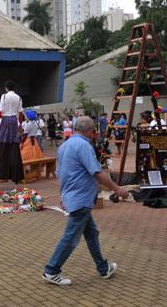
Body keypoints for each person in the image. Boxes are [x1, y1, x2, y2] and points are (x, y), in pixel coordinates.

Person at [42, 116, 129, 286]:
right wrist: (116, 188)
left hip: (74, 197)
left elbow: (62, 173)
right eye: (94, 131)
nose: (94, 134)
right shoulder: (83, 145)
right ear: (89, 131)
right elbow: (96, 171)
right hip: (80, 199)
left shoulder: (64, 145)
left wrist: (65, 194)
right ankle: (51, 270)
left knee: (91, 233)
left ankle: (103, 268)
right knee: (70, 238)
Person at [0, 80, 25, 185]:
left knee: (1, 144)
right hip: (14, 121)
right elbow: (20, 113)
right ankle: (16, 176)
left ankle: (0, 174)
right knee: (14, 145)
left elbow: (0, 111)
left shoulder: (4, 96)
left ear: (6, 88)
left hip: (5, 120)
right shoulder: (19, 97)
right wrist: (20, 124)